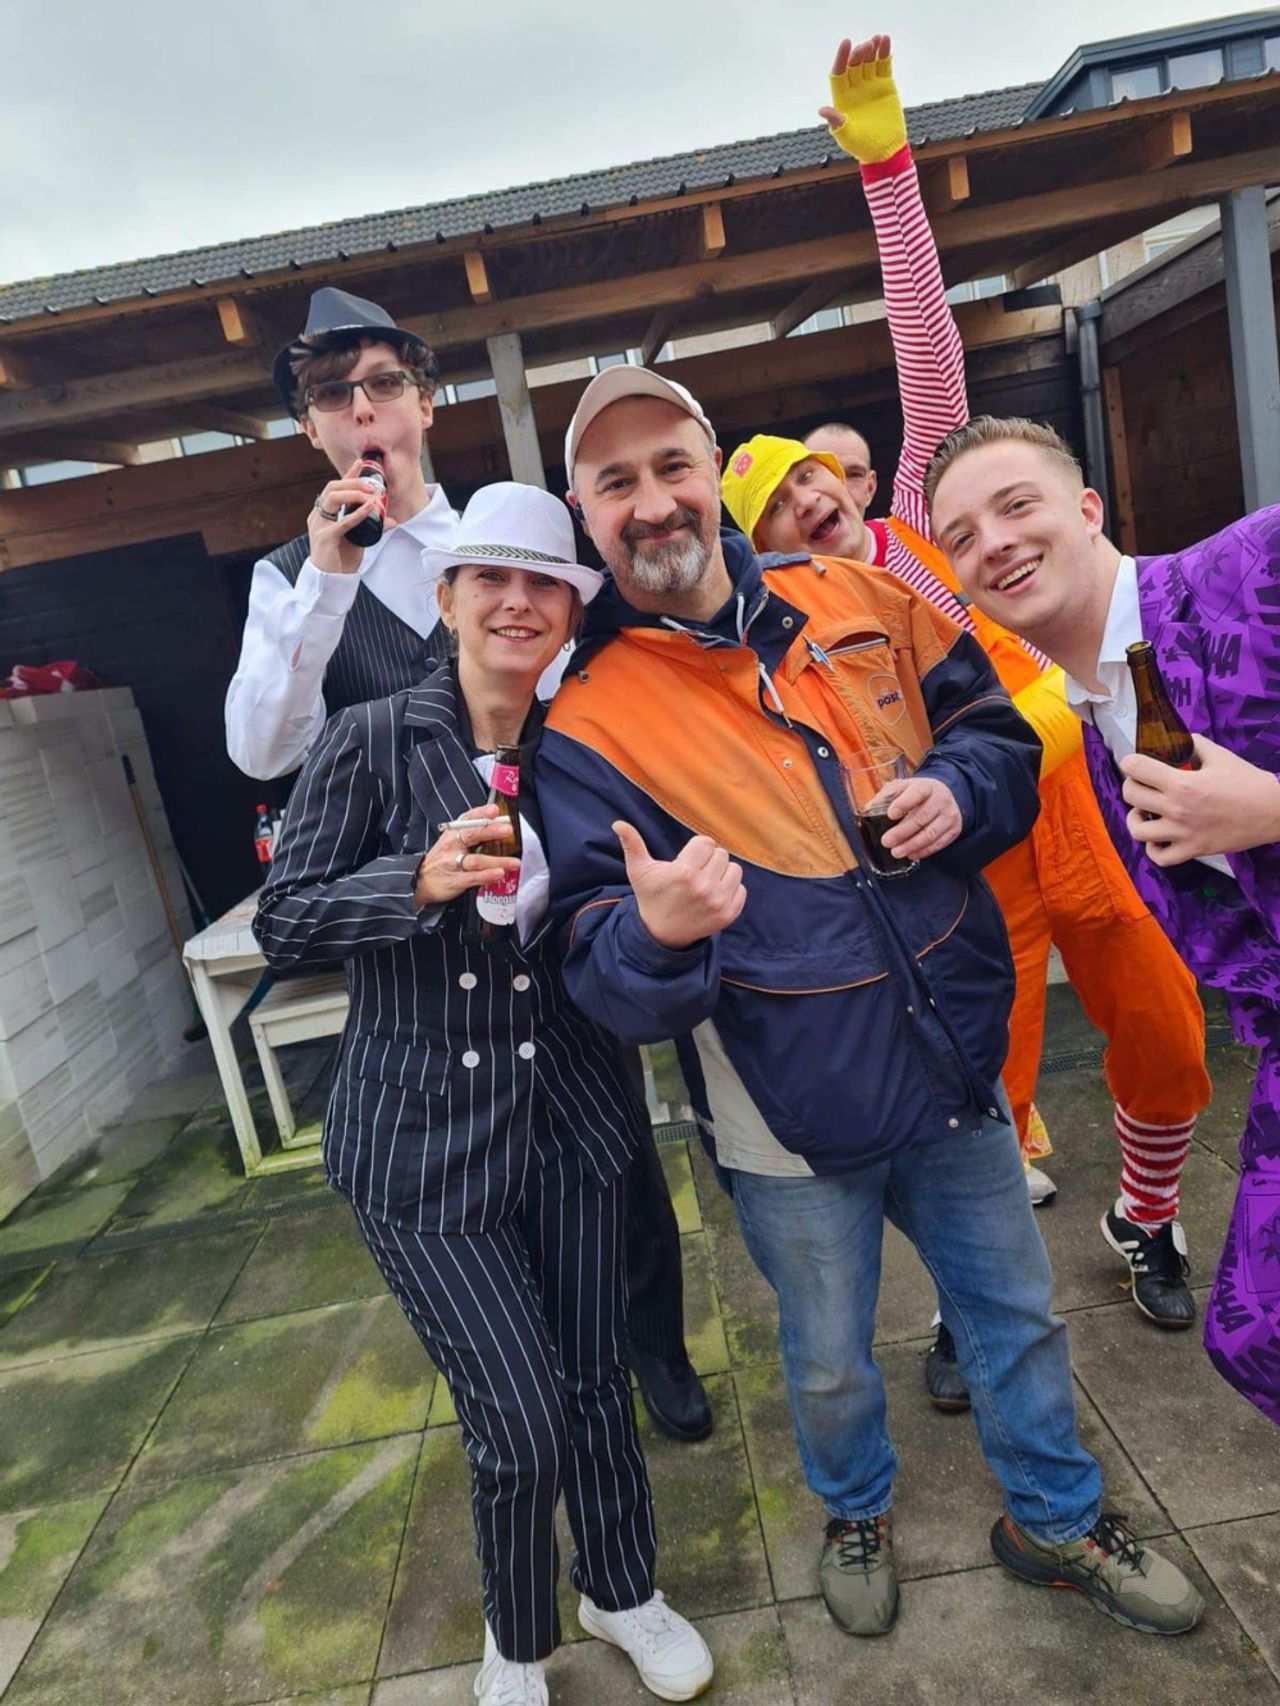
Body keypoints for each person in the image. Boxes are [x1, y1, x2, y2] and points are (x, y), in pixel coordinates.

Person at [533, 358, 1204, 1641]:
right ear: (584, 513)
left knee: (1013, 1318)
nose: (652, 501)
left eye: (670, 464)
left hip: (954, 1061)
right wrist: (657, 934)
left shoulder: (856, 593)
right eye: (614, 481)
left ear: (708, 465)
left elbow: (999, 733)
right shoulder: (585, 719)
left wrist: (964, 789)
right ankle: (853, 1505)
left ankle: (1055, 1517)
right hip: (782, 1115)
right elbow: (591, 950)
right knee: (829, 1355)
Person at [719, 38, 1210, 1417]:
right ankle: (958, 1300)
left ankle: (1152, 1214)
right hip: (962, 857)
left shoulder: (932, 536)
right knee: (966, 1102)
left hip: (1093, 804)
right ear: (761, 548)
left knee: (1168, 1025)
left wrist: (886, 168)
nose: (813, 510)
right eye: (779, 513)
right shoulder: (801, 629)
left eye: (818, 487)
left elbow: (924, 335)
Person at [254, 483, 715, 1705]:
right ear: (448, 595)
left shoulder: (585, 740)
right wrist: (413, 879)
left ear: (570, 611)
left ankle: (619, 1587)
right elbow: (285, 915)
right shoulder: (367, 736)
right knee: (516, 1416)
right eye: (490, 578)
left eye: (544, 582)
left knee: (593, 1383)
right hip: (419, 1142)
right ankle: (515, 1638)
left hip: (570, 1117)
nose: (517, 600)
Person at [226, 286, 708, 1443]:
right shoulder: (289, 580)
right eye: (334, 396)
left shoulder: (507, 539)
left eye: (383, 384)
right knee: (471, 1162)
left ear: (424, 403)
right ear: (312, 430)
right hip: (420, 932)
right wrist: (330, 577)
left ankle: (651, 1346)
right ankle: (527, 1373)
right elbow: (262, 749)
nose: (362, 411)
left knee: (614, 1150)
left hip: (559, 890)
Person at [926, 414, 1280, 1428]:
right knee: (1250, 1332)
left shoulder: (1252, 565)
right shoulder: (1092, 729)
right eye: (958, 533)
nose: (990, 540)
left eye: (1014, 505)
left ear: (1086, 509)